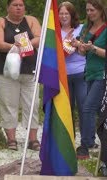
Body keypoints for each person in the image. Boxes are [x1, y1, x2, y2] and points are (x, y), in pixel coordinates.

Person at [0, 0, 41, 151]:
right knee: (8, 103)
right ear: (8, 7)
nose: (19, 8)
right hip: (6, 70)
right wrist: (14, 47)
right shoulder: (0, 22)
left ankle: (33, 139)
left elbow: (39, 38)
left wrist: (25, 45)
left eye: (21, 5)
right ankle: (11, 139)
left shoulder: (31, 20)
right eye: (15, 5)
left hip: (29, 69)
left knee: (32, 104)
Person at [71, 0, 107, 160]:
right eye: (87, 10)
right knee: (99, 112)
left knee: (87, 108)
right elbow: (82, 54)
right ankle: (98, 146)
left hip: (102, 74)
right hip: (89, 73)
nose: (90, 13)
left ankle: (84, 147)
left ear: (100, 10)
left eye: (92, 10)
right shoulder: (86, 28)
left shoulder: (105, 28)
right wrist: (80, 47)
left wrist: (92, 47)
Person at [58, 1, 88, 151]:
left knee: (83, 107)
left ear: (72, 15)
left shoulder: (81, 28)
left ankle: (86, 142)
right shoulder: (55, 31)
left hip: (80, 72)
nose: (64, 16)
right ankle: (69, 141)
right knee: (67, 108)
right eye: (61, 13)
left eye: (66, 13)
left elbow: (86, 49)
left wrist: (76, 44)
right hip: (63, 75)